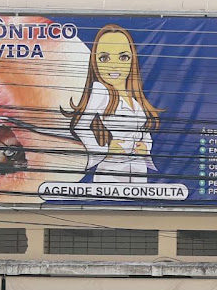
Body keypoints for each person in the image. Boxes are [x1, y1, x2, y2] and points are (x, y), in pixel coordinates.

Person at [65, 24, 161, 183]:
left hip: (138, 169)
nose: (114, 65)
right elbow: (80, 125)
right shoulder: (100, 90)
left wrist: (145, 146)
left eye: (123, 57)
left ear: (132, 60)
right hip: (112, 170)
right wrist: (105, 149)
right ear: (95, 62)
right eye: (104, 58)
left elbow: (142, 129)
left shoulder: (133, 98)